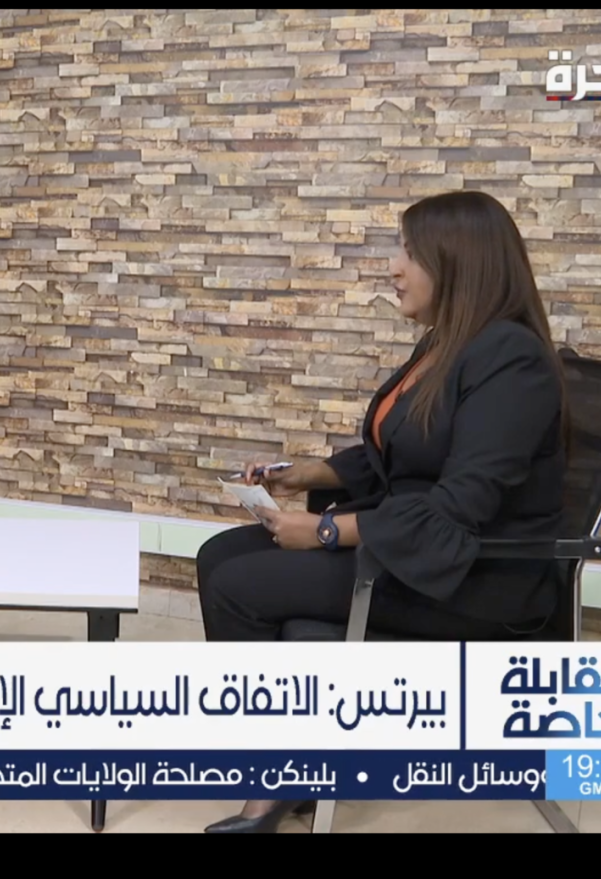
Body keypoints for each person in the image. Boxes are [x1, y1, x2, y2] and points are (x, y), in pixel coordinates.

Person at [195, 190, 568, 834]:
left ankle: (281, 773)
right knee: (217, 554)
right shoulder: (446, 344)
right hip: (412, 545)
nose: (394, 267)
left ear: (460, 263)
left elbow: (460, 504)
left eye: (410, 253)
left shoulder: (512, 360)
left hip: (473, 578)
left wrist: (327, 530)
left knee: (239, 585)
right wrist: (306, 475)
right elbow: (401, 454)